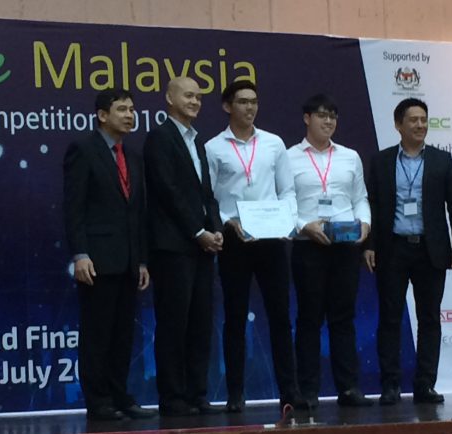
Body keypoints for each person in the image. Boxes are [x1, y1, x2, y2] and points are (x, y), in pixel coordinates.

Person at [363, 98, 452, 405]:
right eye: (413, 120)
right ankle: (390, 386)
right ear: (398, 125)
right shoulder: (381, 161)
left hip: (430, 250)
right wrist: (369, 245)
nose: (420, 125)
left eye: (424, 120)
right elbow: (372, 206)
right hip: (392, 249)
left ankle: (425, 385)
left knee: (430, 319)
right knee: (389, 319)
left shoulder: (441, 160)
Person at [205, 80, 299, 413]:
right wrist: (227, 221)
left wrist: (288, 221)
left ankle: (289, 391)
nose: (250, 107)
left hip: (272, 238)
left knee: (280, 316)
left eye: (254, 101)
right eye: (243, 101)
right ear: (227, 106)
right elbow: (209, 197)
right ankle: (235, 394)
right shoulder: (213, 148)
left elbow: (288, 190)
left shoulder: (274, 143)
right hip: (235, 241)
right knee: (234, 318)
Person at [62, 88, 157, 421]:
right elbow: (74, 207)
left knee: (122, 336)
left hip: (128, 261)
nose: (130, 115)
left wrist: (141, 259)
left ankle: (120, 396)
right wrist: (80, 254)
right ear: (102, 115)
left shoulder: (133, 156)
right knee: (97, 335)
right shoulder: (83, 150)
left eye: (132, 109)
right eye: (122, 110)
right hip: (97, 260)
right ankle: (98, 401)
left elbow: (138, 212)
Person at [143, 77, 225, 417]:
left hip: (202, 247)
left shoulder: (198, 141)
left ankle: (197, 394)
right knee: (174, 324)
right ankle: (173, 397)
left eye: (199, 97)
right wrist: (197, 231)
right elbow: (168, 191)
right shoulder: (159, 137)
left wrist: (216, 229)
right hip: (173, 247)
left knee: (200, 323)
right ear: (169, 98)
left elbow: (207, 194)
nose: (195, 102)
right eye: (188, 96)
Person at [287, 93, 374, 409]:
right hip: (308, 246)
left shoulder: (350, 157)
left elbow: (360, 198)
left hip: (345, 247)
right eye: (322, 115)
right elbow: (284, 201)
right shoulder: (289, 157)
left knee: (343, 318)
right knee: (309, 320)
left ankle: (348, 388)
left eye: (333, 116)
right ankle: (308, 392)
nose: (328, 121)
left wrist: (365, 223)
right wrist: (303, 225)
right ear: (306, 118)